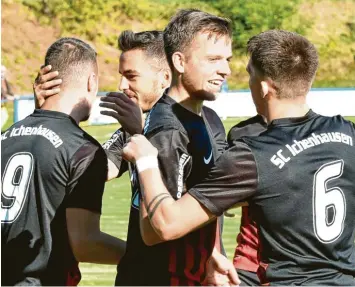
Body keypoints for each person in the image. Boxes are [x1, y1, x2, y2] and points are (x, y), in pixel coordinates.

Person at [123, 30, 355, 285]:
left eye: (250, 74)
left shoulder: (253, 155)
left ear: (265, 87)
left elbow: (167, 224)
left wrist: (145, 159)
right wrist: (210, 250)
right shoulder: (346, 132)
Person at [33, 29, 235, 286]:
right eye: (121, 76)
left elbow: (213, 198)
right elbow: (92, 171)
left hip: (194, 273)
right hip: (143, 276)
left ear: (164, 77)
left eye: (131, 77)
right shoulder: (132, 130)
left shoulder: (210, 124)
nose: (121, 86)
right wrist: (45, 114)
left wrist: (216, 252)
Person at [1, 37, 126, 286]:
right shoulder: (83, 149)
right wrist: (145, 255)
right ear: (92, 81)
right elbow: (86, 244)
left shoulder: (6, 136)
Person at [1, 65, 15, 129]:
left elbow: (8, 91)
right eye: (1, 71)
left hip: (2, 105)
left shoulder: (4, 80)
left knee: (4, 116)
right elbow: (3, 93)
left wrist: (13, 96)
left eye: (3, 72)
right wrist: (8, 97)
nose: (2, 73)